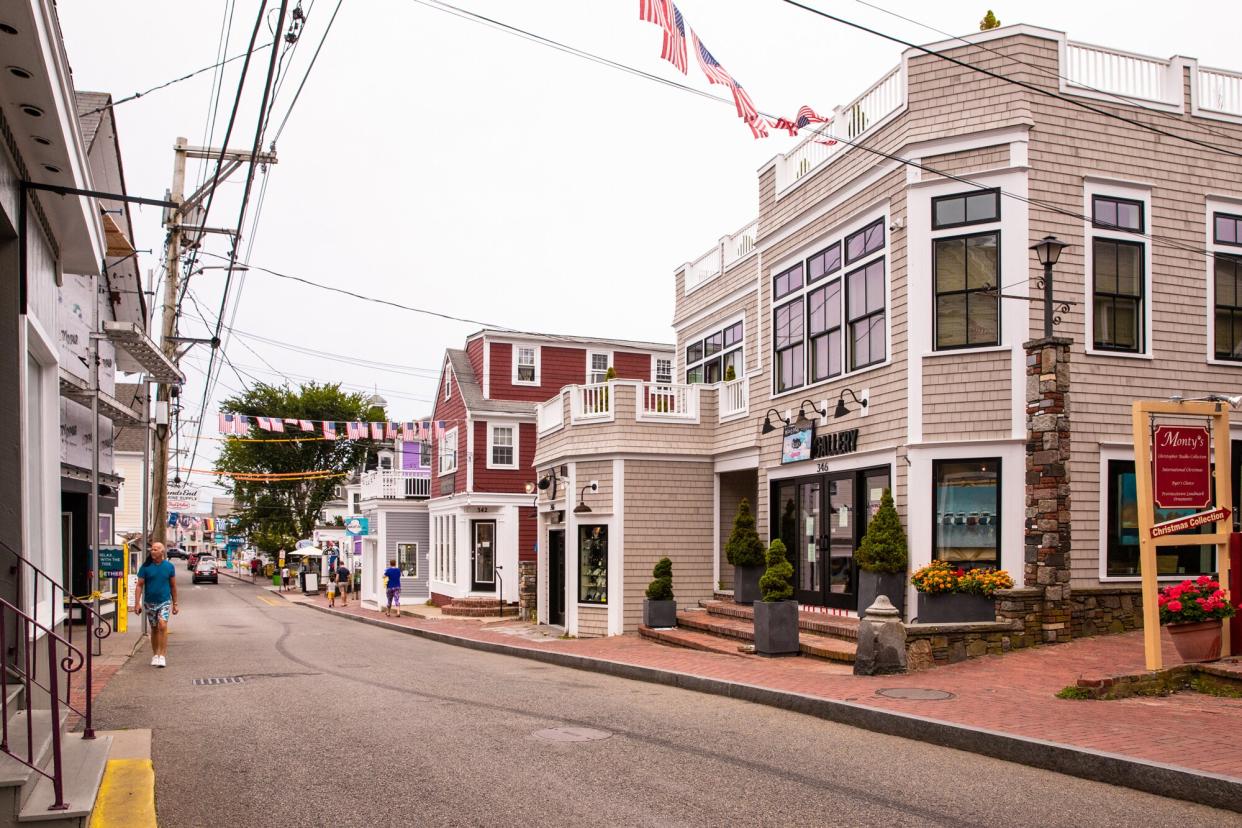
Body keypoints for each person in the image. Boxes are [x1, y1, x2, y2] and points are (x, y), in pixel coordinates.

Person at [132, 541, 179, 668]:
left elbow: (173, 586)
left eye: (156, 549)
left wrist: (175, 603)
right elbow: (139, 586)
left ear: (162, 552)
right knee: (154, 628)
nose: (153, 551)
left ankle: (162, 656)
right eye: (152, 549)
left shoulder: (169, 567)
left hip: (164, 601)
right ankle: (155, 655)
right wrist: (137, 603)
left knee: (162, 625)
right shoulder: (146, 567)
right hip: (149, 603)